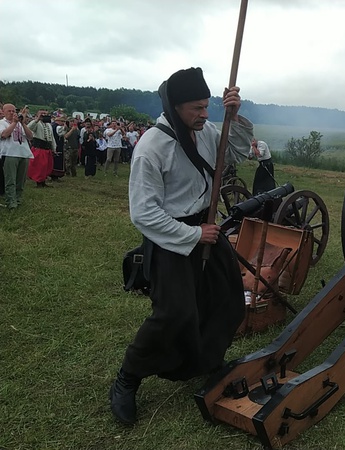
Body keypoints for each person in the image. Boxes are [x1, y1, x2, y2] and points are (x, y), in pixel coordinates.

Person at [109, 67, 253, 425]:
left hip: (207, 225)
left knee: (228, 298)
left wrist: (234, 116)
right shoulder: (151, 148)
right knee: (174, 313)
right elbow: (143, 213)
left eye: (207, 106)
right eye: (197, 108)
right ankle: (127, 378)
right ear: (175, 107)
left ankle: (209, 360)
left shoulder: (205, 131)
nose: (205, 114)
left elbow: (236, 152)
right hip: (171, 236)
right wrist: (192, 236)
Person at [0, 104, 34, 208]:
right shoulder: (2, 123)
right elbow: (4, 135)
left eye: (13, 111)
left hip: (23, 153)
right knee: (10, 180)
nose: (12, 113)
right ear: (4, 112)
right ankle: (11, 202)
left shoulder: (20, 124)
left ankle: (18, 199)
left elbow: (30, 136)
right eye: (9, 111)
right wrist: (14, 123)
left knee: (21, 180)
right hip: (9, 153)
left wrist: (23, 124)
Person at [26, 109, 57, 187]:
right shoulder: (36, 123)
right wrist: (37, 119)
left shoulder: (49, 125)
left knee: (46, 166)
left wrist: (54, 148)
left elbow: (51, 137)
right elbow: (28, 127)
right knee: (39, 166)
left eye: (46, 114)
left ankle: (43, 181)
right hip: (39, 148)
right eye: (42, 114)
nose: (44, 116)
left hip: (47, 148)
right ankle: (39, 182)